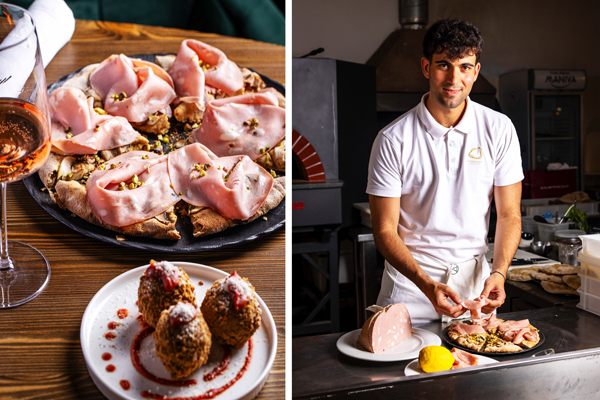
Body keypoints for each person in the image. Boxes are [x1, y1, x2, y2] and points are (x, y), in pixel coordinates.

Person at [366, 18, 523, 323]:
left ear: (476, 72)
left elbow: (509, 214)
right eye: (444, 65)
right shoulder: (392, 139)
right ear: (426, 67)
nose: (454, 78)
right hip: (410, 290)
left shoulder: (499, 129)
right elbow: (384, 231)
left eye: (465, 66)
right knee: (403, 371)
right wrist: (427, 285)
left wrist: (500, 273)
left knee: (475, 368)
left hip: (475, 292)